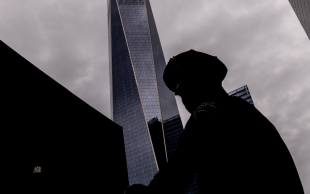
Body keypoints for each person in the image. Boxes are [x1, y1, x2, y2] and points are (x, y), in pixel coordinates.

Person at [125, 50, 304, 194]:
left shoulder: (217, 112)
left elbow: (180, 166)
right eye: (182, 94)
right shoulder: (225, 111)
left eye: (190, 88)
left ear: (209, 82)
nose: (186, 98)